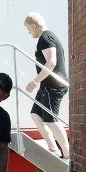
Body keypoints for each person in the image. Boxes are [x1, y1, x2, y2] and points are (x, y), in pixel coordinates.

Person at [24, 12, 70, 160]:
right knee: (36, 115)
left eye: (28, 29)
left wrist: (35, 81)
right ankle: (53, 148)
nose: (29, 32)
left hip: (53, 86)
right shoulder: (47, 37)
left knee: (51, 120)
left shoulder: (45, 38)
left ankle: (68, 155)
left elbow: (51, 62)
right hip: (47, 86)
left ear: (34, 25)